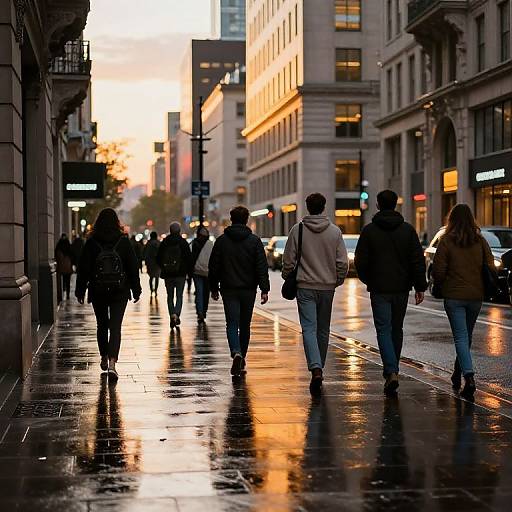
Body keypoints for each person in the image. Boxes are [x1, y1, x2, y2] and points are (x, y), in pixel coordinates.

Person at [355, 190, 427, 395]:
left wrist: (369, 279)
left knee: (383, 329)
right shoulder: (408, 230)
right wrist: (419, 285)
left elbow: (361, 261)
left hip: (379, 289)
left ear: (377, 205)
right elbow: (417, 259)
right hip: (401, 288)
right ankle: (392, 368)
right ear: (395, 204)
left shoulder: (369, 231)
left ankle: (391, 370)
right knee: (397, 328)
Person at [282, 193, 349, 395]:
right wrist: (337, 280)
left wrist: (288, 275)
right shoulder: (334, 232)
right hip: (327, 287)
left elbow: (288, 259)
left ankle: (315, 367)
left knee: (308, 328)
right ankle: (320, 366)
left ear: (308, 207)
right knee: (323, 329)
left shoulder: (298, 230)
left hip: (305, 287)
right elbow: (342, 263)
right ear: (324, 207)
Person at [431, 204, 495, 401]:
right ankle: (457, 373)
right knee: (465, 336)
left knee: (460, 337)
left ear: (451, 220)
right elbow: (491, 266)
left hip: (454, 296)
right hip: (475, 296)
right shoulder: (480, 241)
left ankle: (469, 377)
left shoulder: (446, 241)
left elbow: (439, 271)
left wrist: (439, 284)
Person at [75, 208, 141, 379]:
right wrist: (136, 289)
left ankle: (103, 356)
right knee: (115, 326)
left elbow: (84, 268)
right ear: (116, 222)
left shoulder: (91, 243)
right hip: (120, 290)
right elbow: (133, 267)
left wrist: (80, 290)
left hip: (98, 290)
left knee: (102, 325)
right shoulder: (123, 241)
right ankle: (112, 362)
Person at [209, 206, 270, 377]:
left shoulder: (221, 241)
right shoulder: (254, 241)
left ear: (231, 219)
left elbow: (214, 267)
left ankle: (235, 351)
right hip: (248, 289)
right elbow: (261, 267)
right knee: (245, 325)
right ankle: (241, 356)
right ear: (246, 220)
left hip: (228, 288)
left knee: (232, 323)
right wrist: (264, 289)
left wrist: (213, 287)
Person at [157, 222, 192, 328]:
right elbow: (188, 258)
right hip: (180, 273)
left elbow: (158, 257)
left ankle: (172, 314)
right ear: (179, 230)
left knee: (170, 296)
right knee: (179, 296)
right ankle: (177, 314)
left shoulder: (165, 242)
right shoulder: (183, 242)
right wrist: (188, 272)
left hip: (168, 274)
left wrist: (163, 267)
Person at [191, 226, 214, 323]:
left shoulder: (194, 243)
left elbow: (191, 257)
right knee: (206, 293)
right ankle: (204, 311)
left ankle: (199, 311)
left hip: (197, 271)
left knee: (199, 292)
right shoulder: (210, 244)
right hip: (207, 272)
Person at [55, 234, 74, 300]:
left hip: (61, 266)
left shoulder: (59, 246)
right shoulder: (68, 245)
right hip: (68, 266)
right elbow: (72, 255)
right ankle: (67, 294)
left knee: (62, 281)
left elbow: (56, 256)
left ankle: (62, 293)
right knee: (67, 281)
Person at [143, 231, 161, 295]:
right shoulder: (158, 243)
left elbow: (144, 252)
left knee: (151, 277)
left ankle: (151, 290)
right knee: (157, 277)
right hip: (157, 263)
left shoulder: (148, 243)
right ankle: (155, 290)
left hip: (150, 262)